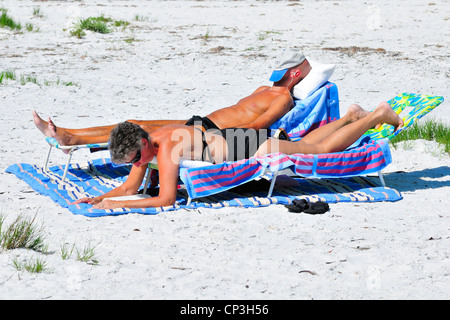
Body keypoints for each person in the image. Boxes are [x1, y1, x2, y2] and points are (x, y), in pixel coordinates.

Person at [72, 101, 403, 210]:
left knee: (318, 151)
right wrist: (99, 197)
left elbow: (167, 199)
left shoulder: (167, 146)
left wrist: (116, 204)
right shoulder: (148, 145)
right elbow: (131, 188)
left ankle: (375, 115)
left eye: (134, 160)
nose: (136, 167)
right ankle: (348, 117)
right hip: (237, 139)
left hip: (253, 146)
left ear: (143, 145)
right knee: (300, 142)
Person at [33, 48, 312, 147]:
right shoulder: (265, 89)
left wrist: (217, 142)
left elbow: (257, 127)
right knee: (134, 121)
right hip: (202, 121)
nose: (276, 76)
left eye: (283, 72)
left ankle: (71, 140)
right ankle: (69, 133)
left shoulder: (284, 98)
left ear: (295, 73)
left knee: (139, 131)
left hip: (213, 133)